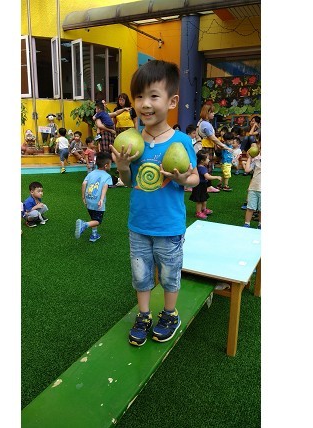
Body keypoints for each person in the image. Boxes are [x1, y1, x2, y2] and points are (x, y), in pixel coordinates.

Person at [110, 60, 199, 347]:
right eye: (139, 96)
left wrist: (183, 178)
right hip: (139, 224)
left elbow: (194, 179)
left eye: (153, 96)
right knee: (141, 274)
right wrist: (123, 166)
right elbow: (128, 181)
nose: (145, 104)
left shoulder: (181, 142)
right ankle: (144, 315)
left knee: (170, 274)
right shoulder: (133, 141)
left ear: (172, 101)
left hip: (169, 225)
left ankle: (170, 314)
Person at [75, 152, 113, 243]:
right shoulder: (107, 176)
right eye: (110, 164)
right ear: (106, 165)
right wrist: (101, 199)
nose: (111, 165)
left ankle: (94, 235)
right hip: (98, 202)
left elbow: (84, 183)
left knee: (93, 217)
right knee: (98, 221)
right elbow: (105, 187)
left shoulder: (91, 173)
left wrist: (83, 197)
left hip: (89, 199)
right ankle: (84, 225)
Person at [197, 104, 227, 193]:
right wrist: (223, 145)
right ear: (207, 113)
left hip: (207, 146)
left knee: (207, 165)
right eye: (212, 112)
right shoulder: (205, 124)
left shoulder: (202, 122)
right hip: (206, 147)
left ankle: (206, 184)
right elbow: (212, 137)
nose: (213, 114)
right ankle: (207, 185)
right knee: (207, 166)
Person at [190, 152, 222, 219]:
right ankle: (198, 212)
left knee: (204, 198)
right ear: (202, 160)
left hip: (202, 185)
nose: (209, 160)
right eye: (207, 158)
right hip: (199, 186)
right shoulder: (202, 168)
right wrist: (216, 177)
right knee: (199, 200)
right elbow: (207, 177)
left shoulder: (199, 167)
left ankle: (204, 209)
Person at [243, 140, 261, 229]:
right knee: (250, 208)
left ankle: (260, 225)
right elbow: (247, 170)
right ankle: (247, 224)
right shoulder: (256, 160)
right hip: (254, 188)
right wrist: (250, 158)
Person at [183, 124, 200, 192]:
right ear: (189, 133)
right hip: (187, 159)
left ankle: (186, 186)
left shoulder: (190, 140)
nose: (195, 135)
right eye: (193, 133)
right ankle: (186, 187)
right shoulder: (188, 140)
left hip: (186, 158)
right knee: (187, 172)